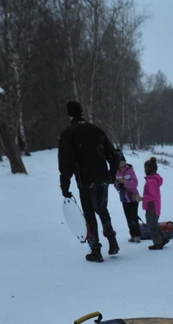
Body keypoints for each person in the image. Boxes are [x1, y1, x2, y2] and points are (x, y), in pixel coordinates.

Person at [58, 100, 120, 263]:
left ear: (69, 114)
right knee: (102, 210)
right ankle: (112, 242)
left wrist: (65, 187)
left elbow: (66, 164)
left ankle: (95, 250)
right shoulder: (96, 130)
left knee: (89, 214)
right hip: (102, 178)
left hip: (85, 180)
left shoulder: (68, 134)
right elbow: (113, 155)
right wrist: (111, 175)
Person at [114, 153, 142, 243]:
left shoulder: (130, 170)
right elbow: (115, 185)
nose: (121, 164)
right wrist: (118, 185)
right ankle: (132, 235)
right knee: (128, 217)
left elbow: (135, 183)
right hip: (124, 198)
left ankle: (137, 235)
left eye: (123, 162)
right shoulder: (116, 171)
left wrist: (125, 182)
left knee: (134, 217)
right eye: (120, 162)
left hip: (133, 197)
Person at [142, 156, 168, 251]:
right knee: (154, 224)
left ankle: (158, 243)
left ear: (147, 170)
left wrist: (142, 198)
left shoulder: (151, 181)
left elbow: (152, 196)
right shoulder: (153, 180)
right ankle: (164, 238)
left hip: (152, 206)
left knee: (151, 225)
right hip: (154, 206)